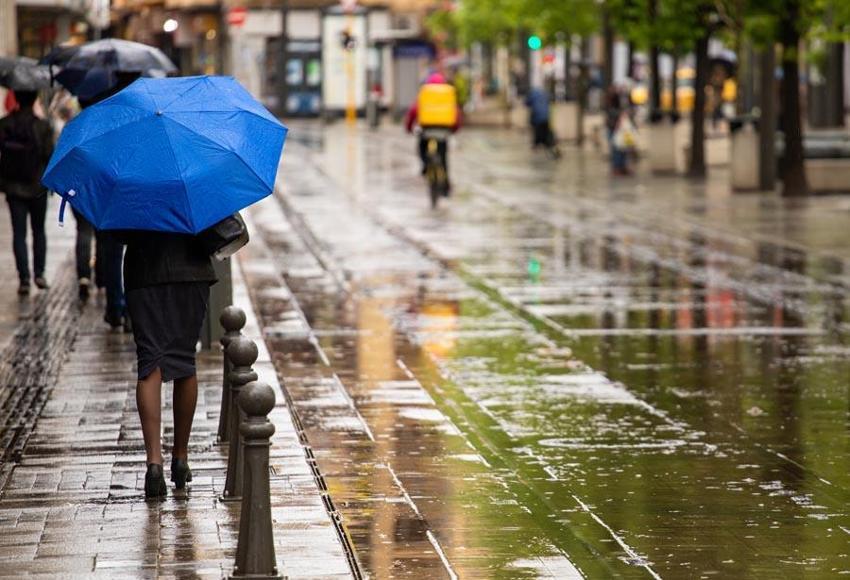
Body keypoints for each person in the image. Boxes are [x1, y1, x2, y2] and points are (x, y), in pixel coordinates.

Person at [119, 231, 217, 498]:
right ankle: (181, 458)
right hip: (190, 268)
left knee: (149, 362)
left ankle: (154, 463)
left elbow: (116, 234)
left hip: (143, 271)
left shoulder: (133, 187)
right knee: (184, 360)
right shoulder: (194, 186)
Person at [0, 91, 54, 295]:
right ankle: (39, 274)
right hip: (37, 187)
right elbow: (50, 155)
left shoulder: (5, 124)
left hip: (14, 188)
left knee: (19, 234)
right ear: (33, 100)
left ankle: (23, 278)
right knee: (39, 231)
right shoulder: (43, 126)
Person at [405, 72, 461, 191]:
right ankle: (445, 186)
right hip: (443, 131)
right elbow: (455, 113)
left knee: (421, 148)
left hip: (426, 130)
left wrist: (409, 128)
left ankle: (425, 166)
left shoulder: (426, 93)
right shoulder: (447, 93)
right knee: (444, 157)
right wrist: (454, 129)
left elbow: (413, 111)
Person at [525, 87, 560, 158]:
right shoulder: (545, 94)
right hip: (546, 117)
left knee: (538, 131)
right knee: (545, 131)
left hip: (537, 118)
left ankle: (538, 145)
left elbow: (526, 103)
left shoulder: (532, 95)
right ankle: (548, 145)